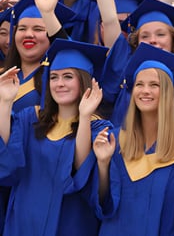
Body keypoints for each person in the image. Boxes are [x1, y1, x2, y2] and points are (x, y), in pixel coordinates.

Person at [91, 43, 174, 235]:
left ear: (168, 93)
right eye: (139, 84)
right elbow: (103, 206)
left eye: (154, 85)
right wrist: (103, 164)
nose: (145, 91)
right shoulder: (115, 141)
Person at [0, 39, 109, 235]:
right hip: (24, 221)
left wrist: (84, 116)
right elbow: (6, 155)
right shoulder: (30, 118)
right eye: (54, 77)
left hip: (69, 223)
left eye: (68, 77)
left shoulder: (98, 127)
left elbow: (80, 171)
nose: (59, 84)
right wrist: (5, 102)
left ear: (83, 80)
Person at [3, 0, 74, 111]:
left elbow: (68, 51)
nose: (29, 34)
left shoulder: (58, 81)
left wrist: (48, 14)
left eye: (38, 29)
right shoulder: (3, 75)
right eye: (22, 28)